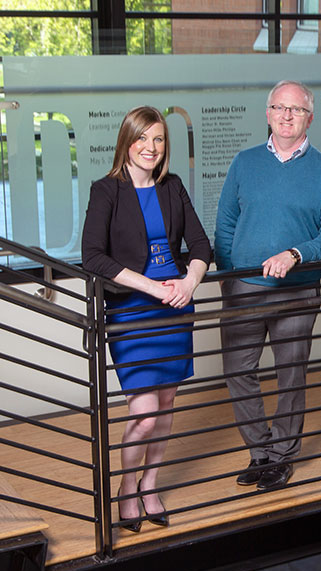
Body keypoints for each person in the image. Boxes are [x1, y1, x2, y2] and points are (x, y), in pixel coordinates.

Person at [82, 106, 211, 532]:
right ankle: (125, 488)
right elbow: (93, 257)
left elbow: (200, 244)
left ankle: (150, 485)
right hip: (132, 310)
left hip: (175, 307)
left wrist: (190, 281)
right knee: (145, 414)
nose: (150, 147)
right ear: (127, 141)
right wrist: (154, 287)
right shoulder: (107, 190)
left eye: (158, 140)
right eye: (142, 139)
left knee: (168, 404)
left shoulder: (172, 187)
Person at [214, 80, 321, 491]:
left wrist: (295, 254)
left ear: (310, 117)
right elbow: (224, 226)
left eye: (296, 109)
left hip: (298, 290)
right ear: (268, 113)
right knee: (238, 371)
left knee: (291, 374)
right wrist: (230, 280)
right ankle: (260, 452)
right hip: (245, 289)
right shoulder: (244, 162)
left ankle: (281, 456)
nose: (287, 115)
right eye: (279, 107)